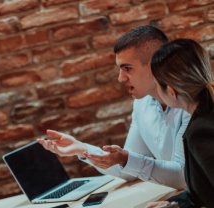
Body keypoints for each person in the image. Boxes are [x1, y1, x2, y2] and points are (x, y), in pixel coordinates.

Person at [38, 25, 190, 189]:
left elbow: (185, 177)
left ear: (157, 64)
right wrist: (82, 149)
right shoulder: (141, 104)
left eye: (127, 68)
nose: (120, 78)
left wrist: (126, 159)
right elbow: (128, 170)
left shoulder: (190, 103)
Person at [128, 38, 214, 208]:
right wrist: (173, 205)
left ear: (172, 91)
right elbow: (207, 188)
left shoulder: (201, 131)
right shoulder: (203, 118)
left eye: (158, 85)